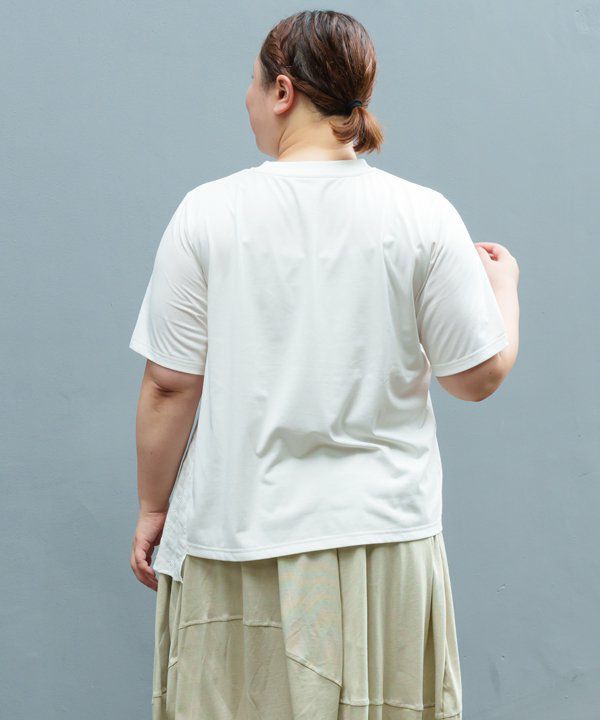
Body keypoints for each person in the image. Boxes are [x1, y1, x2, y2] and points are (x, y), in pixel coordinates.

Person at [128, 10, 520, 720]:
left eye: (252, 84)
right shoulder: (423, 214)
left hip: (237, 535)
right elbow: (476, 376)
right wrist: (505, 290)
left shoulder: (208, 213)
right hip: (383, 540)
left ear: (282, 91)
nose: (246, 99)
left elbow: (168, 384)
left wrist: (154, 507)